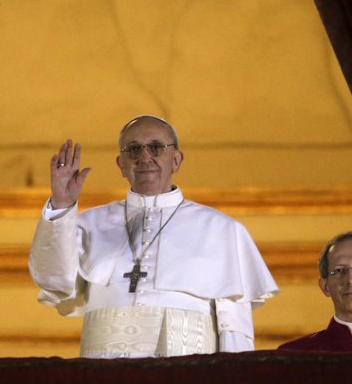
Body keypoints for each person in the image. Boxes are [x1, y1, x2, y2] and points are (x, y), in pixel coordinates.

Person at [29, 114, 278, 358]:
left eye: (156, 148)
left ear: (177, 160)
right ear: (121, 164)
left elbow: (234, 328)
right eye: (133, 150)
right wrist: (61, 205)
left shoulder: (222, 230)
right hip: (103, 373)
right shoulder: (87, 224)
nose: (144, 157)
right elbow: (55, 282)